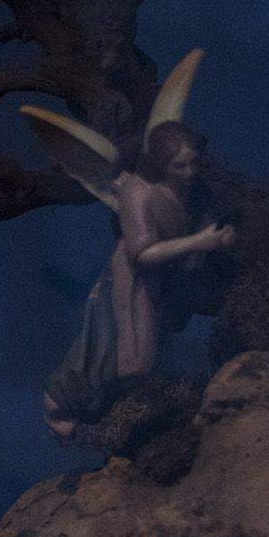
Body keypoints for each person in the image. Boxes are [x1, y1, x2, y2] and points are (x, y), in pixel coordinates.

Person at [42, 121, 234, 436]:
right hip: (134, 280)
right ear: (160, 164)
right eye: (179, 166)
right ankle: (61, 404)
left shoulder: (188, 188)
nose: (189, 172)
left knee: (146, 355)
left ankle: (114, 414)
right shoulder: (138, 193)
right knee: (121, 351)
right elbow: (141, 254)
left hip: (165, 278)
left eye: (193, 163)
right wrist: (200, 242)